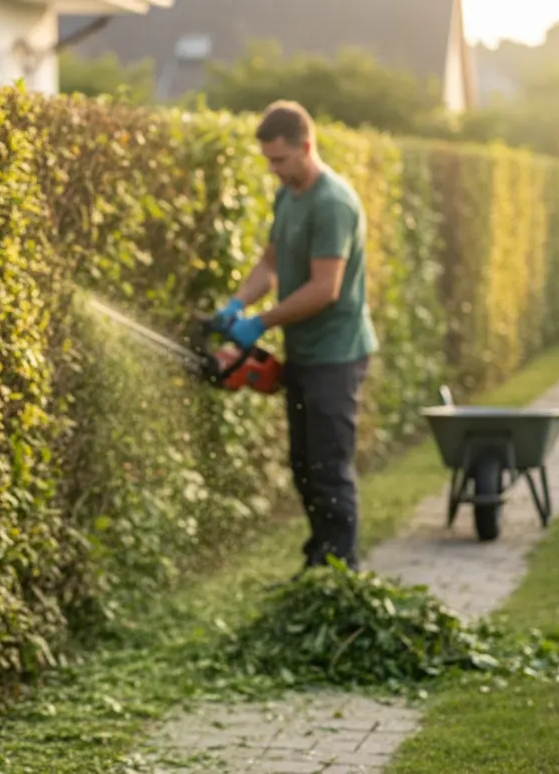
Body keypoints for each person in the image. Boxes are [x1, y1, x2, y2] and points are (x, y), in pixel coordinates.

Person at [211, 100, 378, 578]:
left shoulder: (333, 202)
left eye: (280, 160)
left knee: (329, 469)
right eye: (268, 160)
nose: (274, 169)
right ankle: (318, 562)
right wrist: (237, 304)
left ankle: (341, 574)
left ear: (306, 146)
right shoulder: (289, 196)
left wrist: (260, 324)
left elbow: (324, 289)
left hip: (337, 354)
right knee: (303, 464)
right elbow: (270, 263)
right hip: (304, 352)